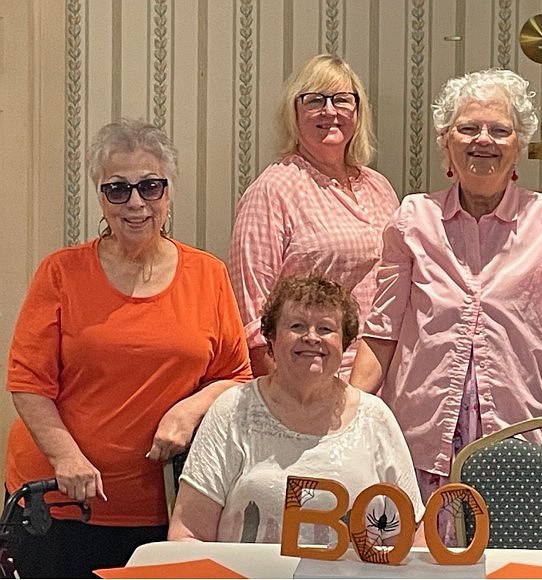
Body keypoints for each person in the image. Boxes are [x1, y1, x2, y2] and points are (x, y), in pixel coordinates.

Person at [349, 68, 542, 543]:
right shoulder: (412, 218)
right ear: (446, 142)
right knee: (417, 564)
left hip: (517, 436)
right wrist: (350, 411)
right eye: (468, 128)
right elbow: (383, 328)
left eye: (499, 130)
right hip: (419, 436)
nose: (483, 140)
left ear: (518, 145)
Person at [3, 118, 252, 578]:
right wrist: (66, 457)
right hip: (61, 503)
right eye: (118, 190)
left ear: (169, 192)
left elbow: (236, 376)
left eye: (150, 186)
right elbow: (27, 383)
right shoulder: (60, 273)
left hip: (166, 509)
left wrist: (190, 408)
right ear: (101, 197)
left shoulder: (208, 274)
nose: (136, 203)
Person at [167, 273, 425, 546]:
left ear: (344, 343)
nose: (312, 338)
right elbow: (188, 534)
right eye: (298, 326)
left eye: (326, 329)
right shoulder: (233, 409)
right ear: (272, 340)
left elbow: (414, 540)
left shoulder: (375, 416)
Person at [227, 53, 400, 381]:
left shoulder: (379, 187)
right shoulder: (273, 190)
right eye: (315, 100)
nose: (330, 111)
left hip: (384, 379)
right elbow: (252, 318)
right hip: (310, 384)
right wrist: (289, 400)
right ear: (294, 112)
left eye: (342, 100)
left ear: (358, 110)